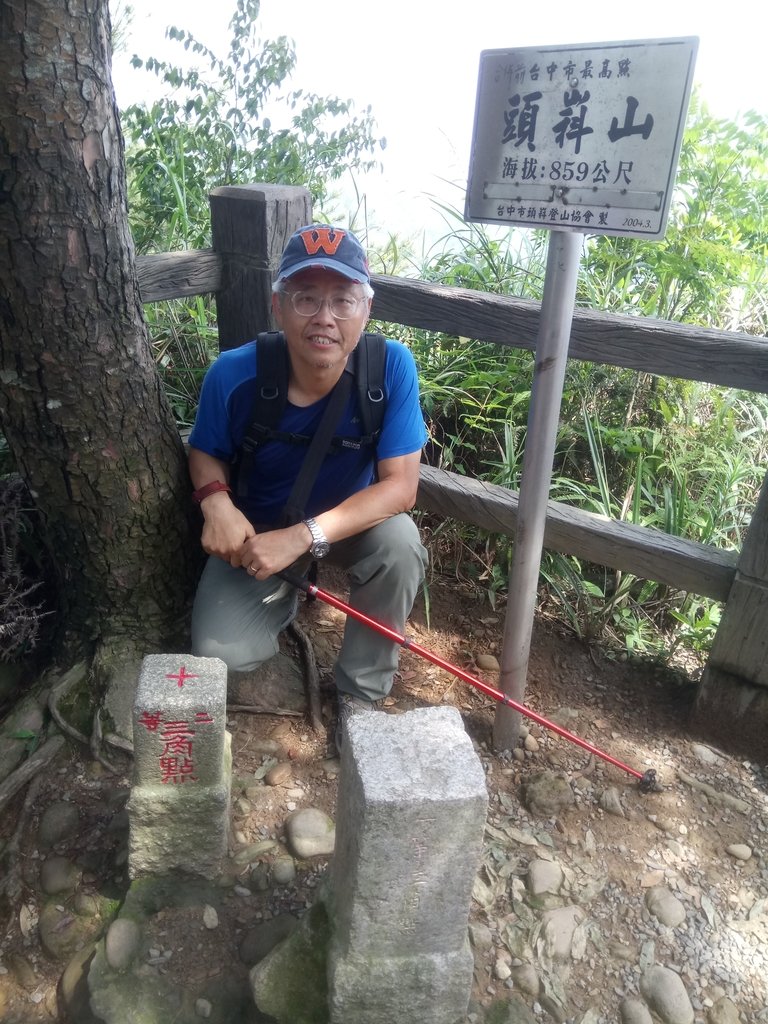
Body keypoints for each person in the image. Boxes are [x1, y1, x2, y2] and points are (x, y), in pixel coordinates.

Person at [187, 223, 428, 741]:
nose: (324, 318)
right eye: (306, 299)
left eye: (343, 300)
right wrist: (216, 502)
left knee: (400, 544)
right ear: (278, 307)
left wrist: (300, 538)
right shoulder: (233, 374)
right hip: (258, 533)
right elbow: (206, 450)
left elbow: (400, 488)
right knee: (222, 655)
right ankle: (289, 591)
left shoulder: (390, 370)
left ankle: (360, 695)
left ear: (367, 309)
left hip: (345, 526)